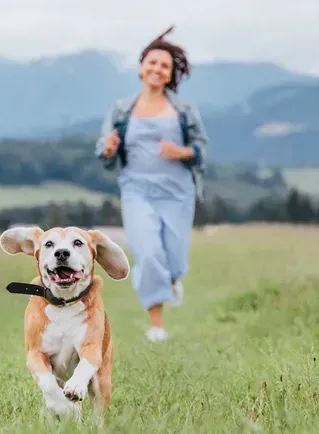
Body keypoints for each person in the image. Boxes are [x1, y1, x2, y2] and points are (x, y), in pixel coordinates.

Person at [94, 25, 209, 342]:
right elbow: (104, 152)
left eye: (164, 65)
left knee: (173, 255)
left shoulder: (184, 110)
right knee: (147, 253)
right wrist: (108, 148)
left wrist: (181, 151)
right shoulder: (121, 110)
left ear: (171, 74)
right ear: (141, 66)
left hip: (177, 193)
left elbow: (201, 152)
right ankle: (157, 325)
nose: (157, 69)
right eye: (152, 62)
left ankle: (172, 278)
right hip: (136, 191)